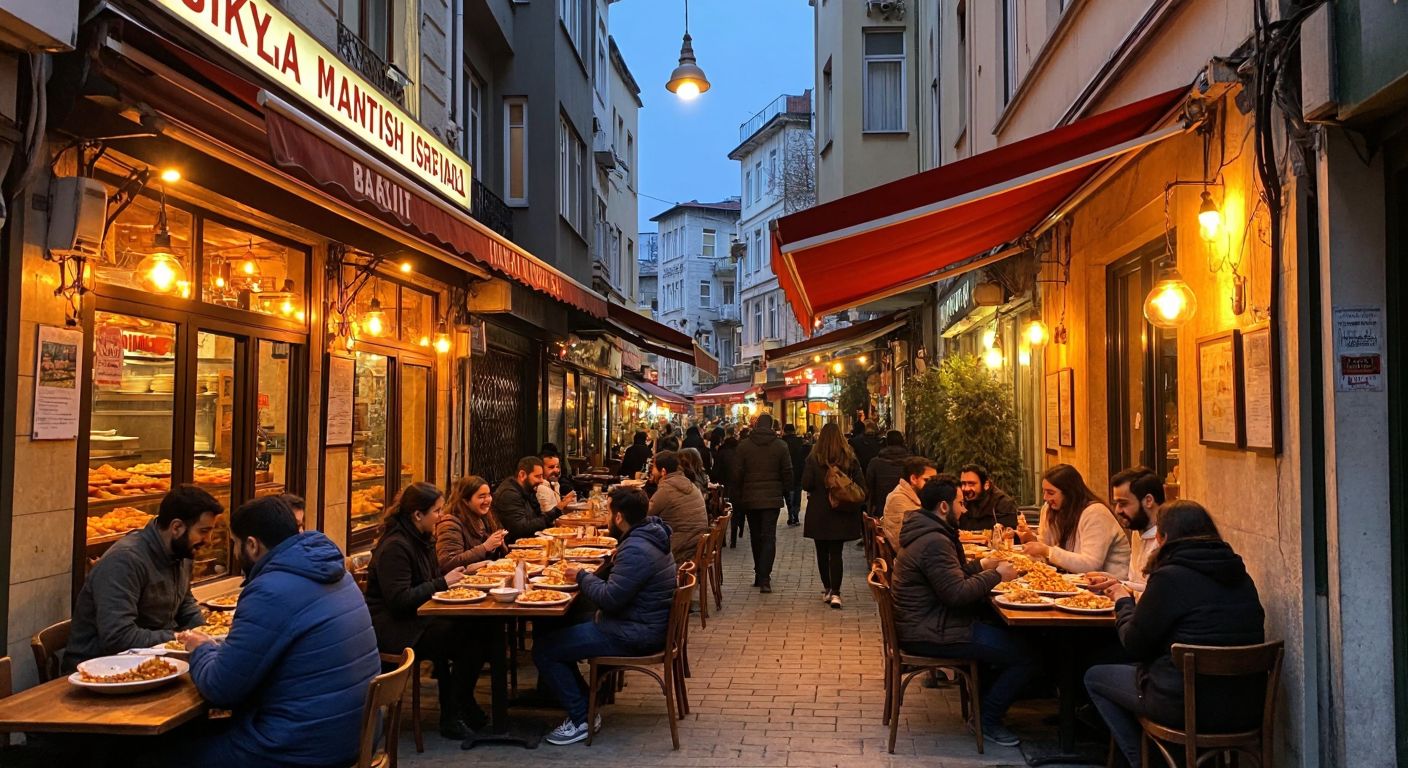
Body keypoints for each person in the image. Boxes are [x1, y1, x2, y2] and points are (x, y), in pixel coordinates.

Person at [171, 496, 379, 767]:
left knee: (153, 757)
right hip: (355, 735)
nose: (234, 553)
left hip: (297, 747)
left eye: (234, 544)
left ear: (252, 545)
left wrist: (201, 648)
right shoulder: (339, 574)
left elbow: (221, 688)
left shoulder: (270, 590)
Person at [1084, 501, 1266, 768]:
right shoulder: (1241, 575)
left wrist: (1122, 601)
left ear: (1163, 537)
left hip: (1184, 706)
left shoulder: (1169, 578)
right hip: (1244, 706)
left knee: (1095, 677)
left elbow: (1134, 645)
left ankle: (1147, 762)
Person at [892, 477, 1035, 748]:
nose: (965, 509)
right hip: (933, 630)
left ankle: (983, 709)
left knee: (1005, 637)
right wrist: (996, 575)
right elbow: (956, 594)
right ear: (944, 507)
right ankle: (988, 719)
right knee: (1026, 655)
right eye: (960, 503)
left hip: (930, 622)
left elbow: (950, 579)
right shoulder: (934, 541)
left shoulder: (927, 532)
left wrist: (982, 563)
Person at [534, 487, 677, 746]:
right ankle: (587, 701)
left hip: (634, 632)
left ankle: (581, 717)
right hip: (638, 622)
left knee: (545, 649)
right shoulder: (648, 536)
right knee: (556, 626)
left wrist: (581, 575)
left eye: (609, 511)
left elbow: (610, 597)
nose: (606, 517)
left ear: (619, 517)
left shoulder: (637, 548)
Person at [364, 483, 485, 736]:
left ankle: (461, 704)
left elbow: (429, 578)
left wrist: (458, 575)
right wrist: (443, 582)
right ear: (417, 515)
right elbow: (399, 600)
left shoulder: (422, 539)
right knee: (466, 639)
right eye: (437, 511)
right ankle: (453, 713)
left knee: (477, 629)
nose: (441, 517)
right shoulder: (396, 546)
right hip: (394, 627)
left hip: (421, 616)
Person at [66, 485, 221, 671]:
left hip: (152, 659)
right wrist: (179, 637)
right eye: (203, 531)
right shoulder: (124, 561)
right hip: (102, 667)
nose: (209, 540)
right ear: (177, 527)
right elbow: (119, 637)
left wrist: (205, 635)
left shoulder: (181, 552)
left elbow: (185, 605)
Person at [1020, 464, 1131, 579]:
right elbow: (1045, 545)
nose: (1045, 498)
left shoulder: (1095, 513)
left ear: (1069, 493)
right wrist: (1031, 540)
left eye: (1051, 493)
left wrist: (1047, 551)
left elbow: (1091, 565)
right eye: (1044, 492)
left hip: (1109, 586)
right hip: (1071, 580)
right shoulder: (1052, 509)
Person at [802, 422, 866, 608]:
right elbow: (862, 484)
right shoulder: (849, 457)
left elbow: (806, 483)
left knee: (822, 552)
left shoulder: (814, 457)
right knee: (836, 553)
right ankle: (837, 592)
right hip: (842, 511)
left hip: (819, 511)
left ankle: (828, 589)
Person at [730, 413, 794, 592]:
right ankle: (765, 577)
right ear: (772, 426)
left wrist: (738, 494)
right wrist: (785, 490)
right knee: (769, 537)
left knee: (756, 536)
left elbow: (737, 473)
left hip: (750, 499)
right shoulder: (781, 446)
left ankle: (759, 573)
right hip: (772, 499)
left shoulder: (744, 446)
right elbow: (788, 471)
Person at [1087, 468, 1165, 593]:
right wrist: (1109, 580)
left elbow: (1158, 592)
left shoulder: (1168, 538)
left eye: (1123, 503)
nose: (1117, 510)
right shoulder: (1137, 531)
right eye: (1116, 503)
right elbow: (1135, 582)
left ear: (1148, 501)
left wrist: (1118, 584)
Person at [435, 475, 508, 572]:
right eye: (482, 496)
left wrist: (499, 543)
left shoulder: (484, 517)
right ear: (465, 501)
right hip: (461, 584)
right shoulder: (449, 524)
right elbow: (448, 563)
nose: (488, 500)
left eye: (489, 495)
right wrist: (485, 547)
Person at [647, 450, 709, 563]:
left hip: (680, 548)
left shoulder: (666, 489)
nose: (651, 471)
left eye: (654, 467)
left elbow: (643, 515)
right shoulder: (690, 483)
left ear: (663, 471)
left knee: (638, 551)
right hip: (695, 543)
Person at [493, 456, 556, 543]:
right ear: (522, 475)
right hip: (516, 547)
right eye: (538, 476)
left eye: (542, 476)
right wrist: (553, 513)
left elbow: (537, 515)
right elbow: (520, 529)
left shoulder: (527, 489)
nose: (541, 481)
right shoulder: (509, 494)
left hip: (530, 542)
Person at [882, 457, 937, 547]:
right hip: (911, 556)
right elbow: (910, 540)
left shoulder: (909, 495)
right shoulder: (899, 499)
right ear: (913, 479)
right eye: (928, 480)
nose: (933, 485)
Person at [957, 464, 1021, 531]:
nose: (966, 488)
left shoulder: (1003, 504)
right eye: (963, 483)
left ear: (986, 485)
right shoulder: (961, 502)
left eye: (971, 484)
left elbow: (1010, 534)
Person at [865, 431, 910, 518]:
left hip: (881, 508)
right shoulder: (911, 462)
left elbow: (868, 485)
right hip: (906, 508)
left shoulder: (875, 463)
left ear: (886, 442)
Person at [714, 428, 743, 541]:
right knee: (735, 512)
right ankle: (734, 538)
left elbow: (716, 471)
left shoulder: (721, 453)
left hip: (723, 487)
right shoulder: (739, 452)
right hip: (737, 486)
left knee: (723, 512)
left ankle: (723, 539)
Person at [537, 451, 580, 518]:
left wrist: (566, 501)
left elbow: (558, 513)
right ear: (541, 469)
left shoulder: (555, 484)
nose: (556, 470)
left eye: (557, 466)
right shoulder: (541, 488)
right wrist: (563, 503)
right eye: (551, 467)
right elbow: (549, 519)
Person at [782, 423, 809, 527]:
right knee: (797, 494)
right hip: (798, 472)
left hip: (786, 473)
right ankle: (796, 515)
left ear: (784, 431)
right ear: (794, 431)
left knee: (788, 494)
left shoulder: (781, 442)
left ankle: (790, 514)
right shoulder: (800, 442)